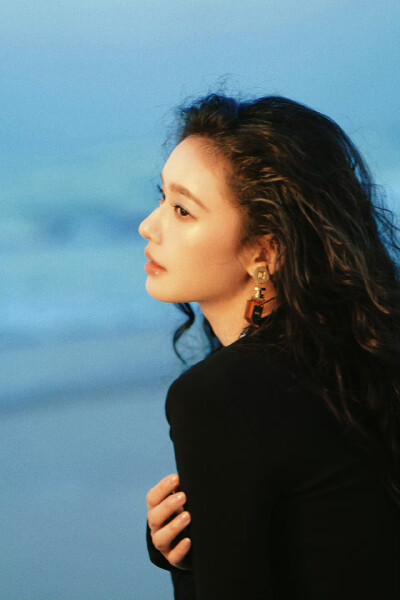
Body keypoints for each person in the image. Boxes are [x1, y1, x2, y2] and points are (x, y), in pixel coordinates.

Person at [138, 93, 400, 600]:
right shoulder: (362, 358)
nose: (149, 225)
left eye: (182, 210)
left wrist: (188, 567)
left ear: (265, 250)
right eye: (161, 197)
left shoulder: (218, 398)